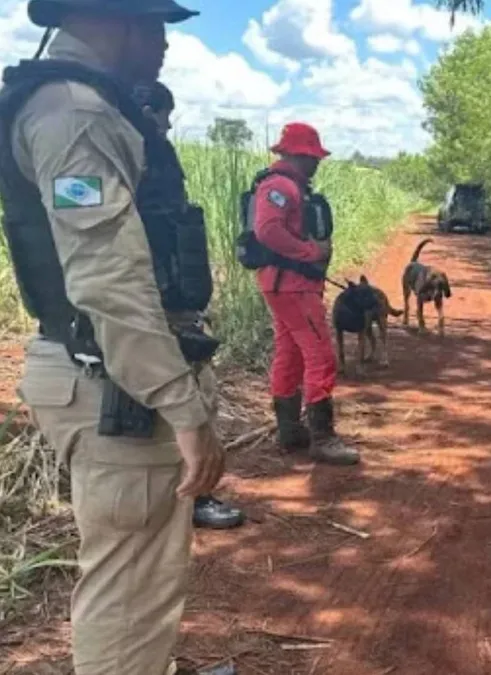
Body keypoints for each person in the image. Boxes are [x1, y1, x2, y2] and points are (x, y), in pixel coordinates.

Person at [0, 0, 231, 674]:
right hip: (117, 389)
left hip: (109, 377)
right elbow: (109, 277)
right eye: (155, 25)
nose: (163, 44)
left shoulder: (75, 103)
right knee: (129, 588)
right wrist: (182, 408)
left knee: (140, 580)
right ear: (114, 20)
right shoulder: (76, 112)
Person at [133, 80, 245, 531]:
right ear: (147, 109)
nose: (168, 123)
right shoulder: (137, 155)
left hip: (166, 301)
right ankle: (195, 496)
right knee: (194, 397)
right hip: (157, 306)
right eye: (164, 113)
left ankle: (181, 495)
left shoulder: (143, 156)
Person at [251, 122, 359, 465]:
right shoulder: (281, 187)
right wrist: (309, 253)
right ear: (298, 155)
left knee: (291, 353)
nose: (317, 163)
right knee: (320, 356)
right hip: (293, 285)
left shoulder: (284, 185)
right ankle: (323, 438)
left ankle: (290, 430)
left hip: (285, 284)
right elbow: (267, 230)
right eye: (313, 157)